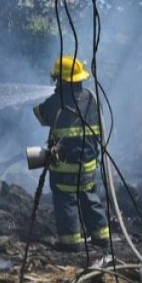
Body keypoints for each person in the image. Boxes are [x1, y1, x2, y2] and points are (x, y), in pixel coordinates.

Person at [32, 56, 111, 251]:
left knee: (66, 201)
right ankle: (101, 237)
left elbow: (41, 115)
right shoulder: (92, 98)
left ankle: (71, 242)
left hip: (64, 167)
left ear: (63, 80)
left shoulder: (56, 102)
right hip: (89, 164)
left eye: (57, 79)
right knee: (90, 197)